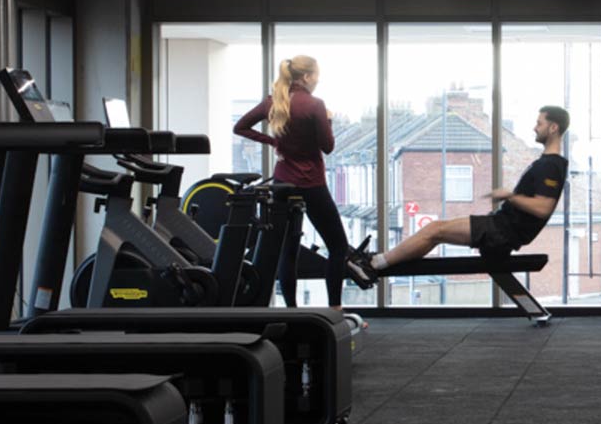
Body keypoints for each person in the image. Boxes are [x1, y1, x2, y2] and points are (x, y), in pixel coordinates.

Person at [346, 105, 569, 287]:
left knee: (435, 230)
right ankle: (377, 262)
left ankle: (373, 264)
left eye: (539, 123)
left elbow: (543, 208)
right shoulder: (547, 163)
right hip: (500, 226)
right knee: (435, 232)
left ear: (553, 127)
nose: (534, 128)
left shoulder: (551, 166)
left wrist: (508, 195)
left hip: (503, 231)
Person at [233, 55, 352, 312]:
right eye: (317, 76)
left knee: (287, 249)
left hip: (283, 181)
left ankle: (292, 311)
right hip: (311, 182)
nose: (318, 81)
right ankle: (335, 309)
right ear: (307, 77)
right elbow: (328, 147)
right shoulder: (314, 105)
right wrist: (328, 119)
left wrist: (273, 142)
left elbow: (240, 127)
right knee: (338, 246)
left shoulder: (274, 102)